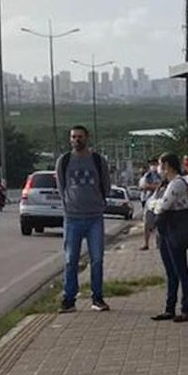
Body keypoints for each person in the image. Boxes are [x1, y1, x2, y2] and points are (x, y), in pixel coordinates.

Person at [57, 125, 110, 313]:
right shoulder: (63, 161)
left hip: (95, 216)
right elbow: (61, 187)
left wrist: (100, 203)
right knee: (71, 260)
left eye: (80, 136)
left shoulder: (97, 160)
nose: (76, 140)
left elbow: (106, 184)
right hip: (73, 218)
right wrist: (68, 206)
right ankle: (69, 299)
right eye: (73, 137)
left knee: (97, 259)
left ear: (87, 138)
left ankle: (97, 297)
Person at [149, 153, 188, 323]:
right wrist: (155, 204)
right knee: (170, 271)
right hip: (165, 229)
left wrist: (155, 205)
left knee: (181, 270)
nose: (158, 168)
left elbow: (163, 205)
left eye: (160, 164)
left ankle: (185, 309)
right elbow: (151, 203)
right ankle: (170, 307)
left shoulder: (177, 183)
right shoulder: (165, 184)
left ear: (167, 165)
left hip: (176, 229)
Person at [139, 158, 161, 250]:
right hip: (149, 202)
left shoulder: (161, 174)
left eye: (155, 163)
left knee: (159, 223)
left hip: (160, 201)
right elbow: (144, 186)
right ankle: (146, 243)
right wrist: (155, 187)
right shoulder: (147, 175)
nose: (153, 166)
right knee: (147, 223)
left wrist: (153, 187)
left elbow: (163, 186)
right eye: (151, 164)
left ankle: (158, 243)